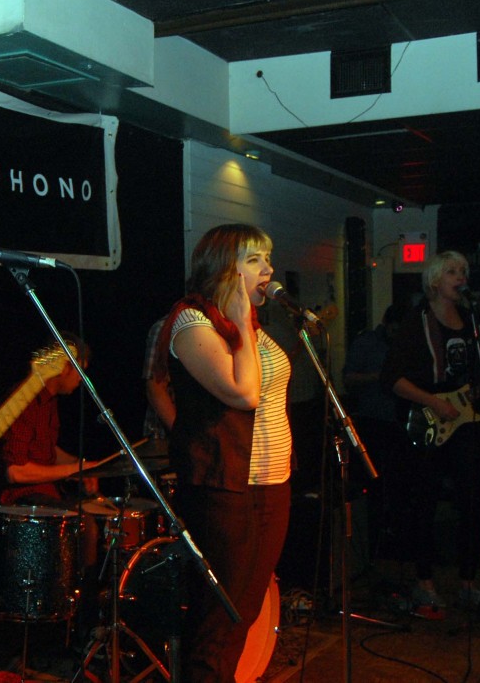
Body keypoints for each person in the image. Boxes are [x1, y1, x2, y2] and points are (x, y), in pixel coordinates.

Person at [153, 223, 292, 682]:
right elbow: (243, 393)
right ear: (222, 267)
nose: (267, 269)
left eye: (267, 258)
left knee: (246, 609)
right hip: (227, 486)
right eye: (254, 259)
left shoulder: (247, 327)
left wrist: (244, 322)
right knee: (222, 614)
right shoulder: (193, 322)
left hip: (271, 482)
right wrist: (239, 319)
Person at [381, 251, 480, 616]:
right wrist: (434, 401)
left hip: (468, 424)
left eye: (464, 272)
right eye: (453, 272)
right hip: (430, 423)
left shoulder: (475, 324)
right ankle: (424, 582)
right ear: (435, 280)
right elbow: (392, 380)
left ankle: (469, 583)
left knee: (473, 502)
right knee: (424, 502)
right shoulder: (418, 322)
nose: (461, 277)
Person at [0, 334, 104, 507]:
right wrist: (74, 470)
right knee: (84, 524)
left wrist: (81, 465)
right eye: (80, 371)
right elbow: (15, 471)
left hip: (46, 493)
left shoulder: (50, 401)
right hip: (23, 499)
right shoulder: (24, 400)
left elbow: (44, 448)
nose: (81, 379)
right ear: (63, 367)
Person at [343, 302, 409, 560]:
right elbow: (348, 379)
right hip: (373, 423)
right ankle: (374, 544)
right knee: (375, 487)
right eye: (394, 331)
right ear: (386, 324)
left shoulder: (406, 343)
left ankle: (398, 540)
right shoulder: (366, 343)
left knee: (401, 487)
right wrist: (380, 377)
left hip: (402, 423)